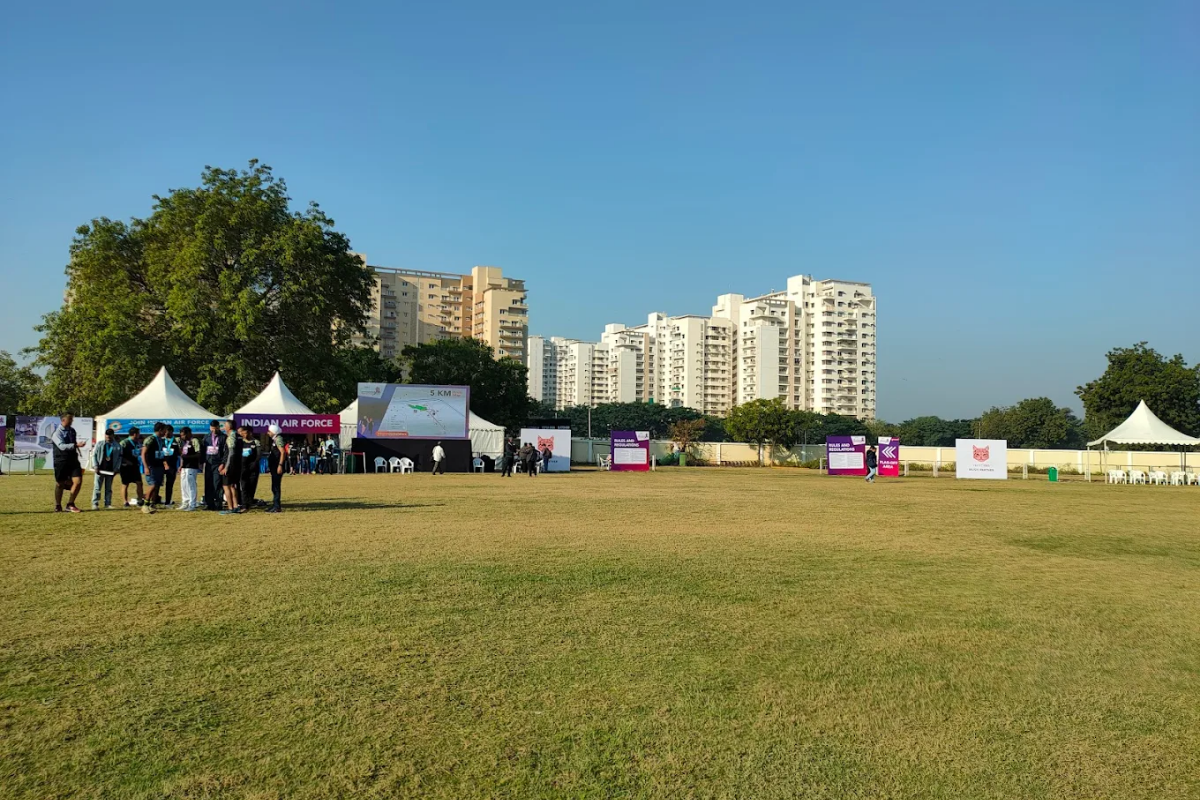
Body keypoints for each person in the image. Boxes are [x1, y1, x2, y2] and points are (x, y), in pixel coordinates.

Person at [51, 413, 85, 513]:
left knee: (78, 481)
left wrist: (77, 447)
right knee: (59, 484)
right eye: (69, 419)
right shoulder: (57, 433)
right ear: (63, 420)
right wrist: (75, 445)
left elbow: (73, 444)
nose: (71, 422)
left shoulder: (72, 431)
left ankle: (70, 504)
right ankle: (58, 505)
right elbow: (61, 446)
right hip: (61, 460)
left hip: (73, 459)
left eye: (72, 419)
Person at [141, 423, 168, 514]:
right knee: (152, 485)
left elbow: (161, 452)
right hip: (151, 466)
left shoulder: (161, 440)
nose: (165, 432)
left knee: (157, 486)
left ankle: (152, 504)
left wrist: (164, 463)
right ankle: (145, 504)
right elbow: (143, 453)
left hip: (159, 465)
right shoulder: (150, 439)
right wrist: (146, 467)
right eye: (164, 430)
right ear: (160, 430)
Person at [89, 428, 120, 510]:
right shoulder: (99, 444)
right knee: (97, 487)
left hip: (110, 470)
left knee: (108, 488)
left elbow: (119, 458)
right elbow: (94, 455)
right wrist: (95, 465)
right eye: (107, 435)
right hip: (100, 469)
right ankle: (95, 503)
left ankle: (108, 503)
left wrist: (117, 468)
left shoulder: (117, 446)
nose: (108, 436)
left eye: (110, 435)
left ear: (113, 435)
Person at [202, 420, 226, 511]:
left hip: (218, 464)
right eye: (212, 428)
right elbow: (203, 450)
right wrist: (203, 462)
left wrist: (223, 463)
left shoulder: (223, 437)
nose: (214, 430)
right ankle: (209, 504)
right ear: (210, 428)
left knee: (217, 484)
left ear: (219, 427)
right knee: (208, 484)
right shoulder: (206, 437)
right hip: (208, 463)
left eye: (216, 428)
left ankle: (218, 503)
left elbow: (225, 452)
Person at [118, 427, 145, 508]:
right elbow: (119, 455)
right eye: (138, 433)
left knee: (139, 483)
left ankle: (140, 500)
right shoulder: (124, 442)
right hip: (125, 467)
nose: (139, 435)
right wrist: (126, 461)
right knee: (125, 484)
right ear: (134, 434)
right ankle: (125, 502)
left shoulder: (137, 442)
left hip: (135, 466)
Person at [219, 420, 241, 515]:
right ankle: (236, 506)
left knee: (226, 486)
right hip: (236, 465)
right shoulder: (238, 436)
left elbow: (231, 453)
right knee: (233, 486)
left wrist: (226, 467)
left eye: (225, 426)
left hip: (231, 465)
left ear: (229, 427)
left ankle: (230, 507)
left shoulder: (231, 437)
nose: (224, 428)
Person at [177, 426, 201, 511]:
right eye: (181, 435)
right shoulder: (183, 442)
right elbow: (182, 455)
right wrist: (181, 465)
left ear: (188, 433)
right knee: (183, 485)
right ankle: (185, 501)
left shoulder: (194, 441)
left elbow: (198, 454)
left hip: (192, 467)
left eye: (183, 435)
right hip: (184, 467)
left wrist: (188, 457)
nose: (182, 437)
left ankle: (192, 504)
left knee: (191, 485)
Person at [237, 427, 260, 511]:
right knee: (244, 486)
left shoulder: (256, 442)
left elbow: (258, 455)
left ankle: (249, 503)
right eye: (242, 433)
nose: (243, 435)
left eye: (245, 433)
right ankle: (244, 505)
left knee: (252, 486)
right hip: (243, 468)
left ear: (250, 433)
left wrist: (254, 464)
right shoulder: (240, 442)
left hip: (253, 468)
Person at [266, 424, 285, 513]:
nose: (268, 433)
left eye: (269, 431)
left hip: (277, 466)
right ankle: (275, 505)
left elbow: (282, 452)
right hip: (274, 466)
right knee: (274, 487)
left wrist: (280, 465)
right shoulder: (274, 440)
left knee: (276, 486)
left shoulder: (278, 439)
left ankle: (277, 506)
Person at [160, 424, 179, 506]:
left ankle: (168, 501)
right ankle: (155, 499)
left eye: (169, 432)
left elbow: (179, 453)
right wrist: (164, 463)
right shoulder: (160, 441)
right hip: (161, 465)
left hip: (172, 465)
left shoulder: (176, 441)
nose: (167, 433)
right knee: (157, 483)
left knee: (169, 484)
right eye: (166, 432)